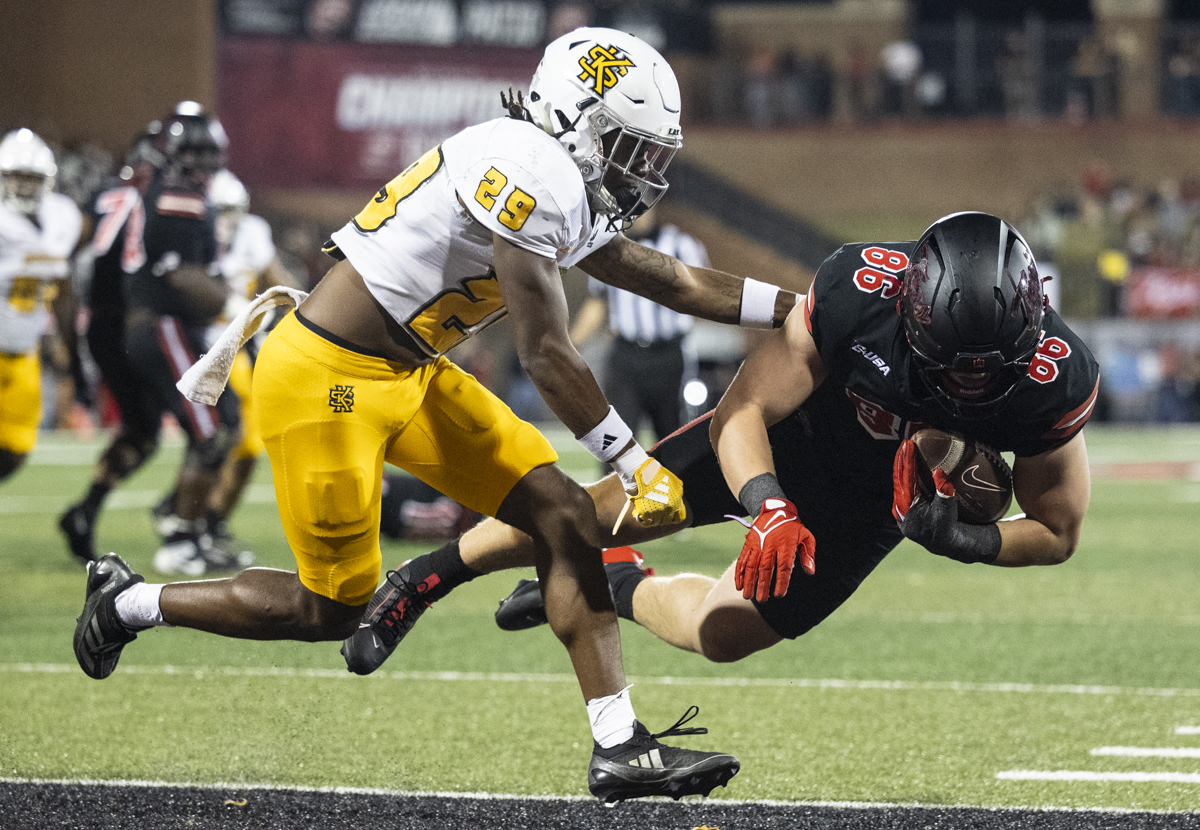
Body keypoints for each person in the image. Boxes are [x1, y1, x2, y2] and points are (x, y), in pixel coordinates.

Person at [74, 28, 796, 803]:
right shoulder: (530, 169)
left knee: (560, 512)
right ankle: (127, 603)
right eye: (627, 144)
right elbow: (546, 351)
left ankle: (618, 744)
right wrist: (630, 458)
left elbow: (671, 279)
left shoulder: (554, 172)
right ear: (574, 117)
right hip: (327, 378)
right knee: (330, 609)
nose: (641, 169)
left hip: (410, 371)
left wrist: (805, 310)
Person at [368, 212, 1097, 679]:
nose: (966, 386)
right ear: (908, 308)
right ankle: (425, 576)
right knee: (595, 512)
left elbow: (1056, 531)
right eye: (947, 363)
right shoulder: (858, 289)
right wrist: (768, 503)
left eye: (985, 370)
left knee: (721, 635)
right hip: (792, 437)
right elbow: (741, 410)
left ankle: (620, 583)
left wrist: (966, 541)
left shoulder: (1056, 377)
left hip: (874, 504)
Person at [62, 102, 242, 575]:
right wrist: (232, 303)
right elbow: (182, 276)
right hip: (148, 320)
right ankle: (180, 528)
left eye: (206, 153)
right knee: (210, 429)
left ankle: (163, 517)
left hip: (119, 321)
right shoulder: (172, 197)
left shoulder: (119, 192)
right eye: (192, 152)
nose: (200, 164)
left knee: (160, 430)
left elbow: (84, 257)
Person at [150, 168, 299, 558]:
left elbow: (276, 278)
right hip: (202, 351)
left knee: (245, 444)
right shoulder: (192, 237)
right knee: (221, 437)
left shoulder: (252, 232)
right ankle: (185, 521)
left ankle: (204, 522)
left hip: (242, 353)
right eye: (221, 210)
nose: (227, 220)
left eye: (233, 211)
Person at [569, 202, 708, 462]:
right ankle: (617, 501)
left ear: (654, 205)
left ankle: (683, 501)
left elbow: (703, 294)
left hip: (669, 355)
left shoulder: (681, 244)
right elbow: (597, 303)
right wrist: (571, 342)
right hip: (626, 356)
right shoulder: (607, 248)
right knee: (617, 443)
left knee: (674, 439)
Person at [0, 128, 84, 483]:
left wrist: (71, 347)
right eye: (16, 177)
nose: (23, 186)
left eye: (31, 178)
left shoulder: (63, 217)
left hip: (24, 350)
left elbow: (63, 288)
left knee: (16, 449)